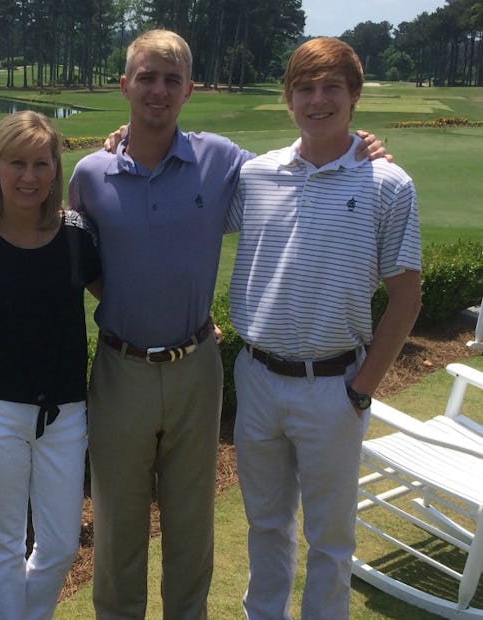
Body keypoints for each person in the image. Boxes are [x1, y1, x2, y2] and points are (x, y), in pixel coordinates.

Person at [74, 29, 388, 620]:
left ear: (190, 89)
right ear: (125, 85)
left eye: (171, 80)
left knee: (191, 525)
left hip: (196, 367)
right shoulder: (90, 174)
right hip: (119, 368)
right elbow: (85, 263)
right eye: (146, 77)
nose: (158, 91)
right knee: (118, 524)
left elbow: (299, 168)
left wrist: (357, 147)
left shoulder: (223, 161)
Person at [226, 37, 421, 619]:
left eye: (331, 87)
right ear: (288, 100)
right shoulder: (256, 176)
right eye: (304, 88)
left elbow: (406, 300)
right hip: (257, 376)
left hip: (334, 384)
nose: (317, 100)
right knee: (264, 525)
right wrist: (119, 143)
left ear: (354, 98)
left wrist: (362, 389)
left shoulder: (388, 185)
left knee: (331, 541)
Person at [0, 110, 102, 620]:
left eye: (40, 163)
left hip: (66, 415)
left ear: (56, 169)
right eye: (16, 163)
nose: (29, 176)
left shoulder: (76, 235)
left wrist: (189, 321)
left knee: (60, 546)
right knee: (5, 545)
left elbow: (122, 301)